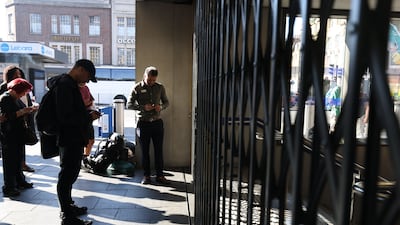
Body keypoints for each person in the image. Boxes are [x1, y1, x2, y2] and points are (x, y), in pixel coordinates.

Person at [49, 59, 100, 225]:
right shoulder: (65, 86)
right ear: (79, 69)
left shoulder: (69, 84)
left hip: (73, 137)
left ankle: (69, 206)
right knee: (67, 175)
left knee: (71, 173)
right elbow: (65, 116)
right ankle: (67, 215)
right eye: (87, 76)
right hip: (68, 137)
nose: (86, 81)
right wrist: (88, 117)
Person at [127, 66, 170, 185]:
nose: (151, 82)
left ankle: (160, 175)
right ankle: (146, 176)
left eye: (153, 80)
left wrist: (161, 107)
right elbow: (129, 104)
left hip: (157, 122)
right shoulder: (137, 88)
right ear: (145, 76)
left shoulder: (160, 87)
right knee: (145, 151)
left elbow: (166, 102)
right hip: (143, 123)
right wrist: (142, 107)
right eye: (149, 79)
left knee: (158, 150)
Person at [0, 78, 36, 197]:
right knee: (10, 161)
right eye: (23, 92)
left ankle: (19, 181)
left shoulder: (14, 98)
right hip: (9, 134)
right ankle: (9, 186)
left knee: (17, 159)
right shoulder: (5, 98)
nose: (24, 95)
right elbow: (7, 116)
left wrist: (28, 110)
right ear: (17, 90)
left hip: (16, 133)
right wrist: (23, 111)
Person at [79, 83, 96, 159]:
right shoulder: (74, 89)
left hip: (88, 117)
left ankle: (86, 157)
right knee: (81, 141)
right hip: (79, 119)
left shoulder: (86, 88)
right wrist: (86, 103)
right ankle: (81, 158)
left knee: (91, 140)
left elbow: (91, 100)